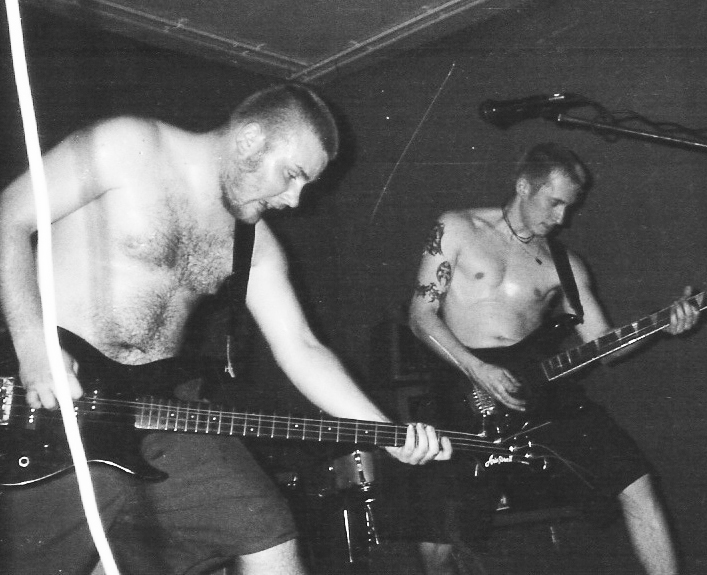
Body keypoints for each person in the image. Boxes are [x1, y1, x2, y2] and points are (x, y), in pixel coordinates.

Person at [0, 83, 452, 575]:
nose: (295, 200)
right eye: (292, 175)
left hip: (161, 411)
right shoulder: (127, 145)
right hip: (49, 405)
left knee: (270, 536)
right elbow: (8, 219)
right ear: (250, 139)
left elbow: (301, 346)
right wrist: (34, 346)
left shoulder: (253, 243)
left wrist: (385, 431)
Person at [406, 142, 701, 575]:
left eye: (569, 207)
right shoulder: (457, 228)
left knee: (637, 484)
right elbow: (420, 316)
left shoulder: (565, 265)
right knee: (440, 536)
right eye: (555, 202)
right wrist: (478, 368)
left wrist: (665, 325)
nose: (562, 218)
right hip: (461, 384)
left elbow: (605, 346)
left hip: (539, 388)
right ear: (524, 186)